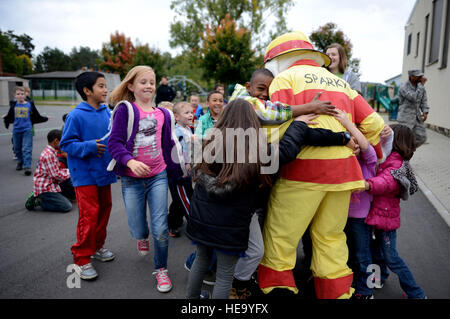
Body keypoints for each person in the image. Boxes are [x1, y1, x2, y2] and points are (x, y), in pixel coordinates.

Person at [185, 98, 357, 299]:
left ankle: (192, 301)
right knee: (224, 273)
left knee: (202, 259)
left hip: (202, 218)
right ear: (252, 121)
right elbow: (286, 150)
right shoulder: (255, 151)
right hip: (230, 223)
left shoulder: (208, 142)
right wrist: (299, 124)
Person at [257, 31, 386, 299]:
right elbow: (375, 126)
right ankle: (337, 294)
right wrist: (366, 152)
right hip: (343, 174)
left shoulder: (285, 78)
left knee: (281, 239)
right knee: (331, 238)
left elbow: (275, 129)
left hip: (301, 173)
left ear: (277, 60)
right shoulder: (342, 85)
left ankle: (278, 292)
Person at [107, 65, 187, 293]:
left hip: (158, 176)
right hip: (132, 180)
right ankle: (141, 236)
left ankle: (161, 269)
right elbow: (114, 143)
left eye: (151, 82)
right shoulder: (125, 110)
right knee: (138, 226)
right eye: (143, 82)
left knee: (160, 228)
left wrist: (178, 170)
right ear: (131, 86)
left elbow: (169, 145)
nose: (149, 86)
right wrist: (129, 161)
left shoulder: (164, 114)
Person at [60, 71, 117, 281]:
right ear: (87, 91)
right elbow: (66, 145)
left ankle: (97, 247)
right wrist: (89, 146)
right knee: (89, 215)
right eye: (101, 86)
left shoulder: (107, 113)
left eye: (105, 86)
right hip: (84, 176)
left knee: (104, 210)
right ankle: (82, 257)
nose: (105, 90)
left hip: (104, 172)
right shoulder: (76, 115)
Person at [364, 124, 426, 299]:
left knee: (392, 258)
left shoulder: (396, 163)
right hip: (377, 215)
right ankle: (378, 278)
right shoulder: (388, 157)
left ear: (396, 141)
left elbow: (386, 182)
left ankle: (417, 293)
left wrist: (367, 184)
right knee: (375, 251)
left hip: (385, 218)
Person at [333, 109, 381, 299]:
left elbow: (366, 146)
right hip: (340, 215)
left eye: (358, 138)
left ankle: (367, 290)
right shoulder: (342, 158)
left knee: (363, 256)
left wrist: (347, 122)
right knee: (348, 255)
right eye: (351, 138)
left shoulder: (368, 160)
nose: (355, 142)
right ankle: (353, 284)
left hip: (360, 218)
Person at [229, 68, 338, 125]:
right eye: (261, 88)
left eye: (269, 91)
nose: (265, 94)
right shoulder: (242, 101)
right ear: (248, 87)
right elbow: (268, 111)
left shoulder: (244, 97)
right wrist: (311, 107)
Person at [25, 129, 75, 213]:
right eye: (61, 141)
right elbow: (56, 175)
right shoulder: (49, 155)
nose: (63, 144)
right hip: (46, 187)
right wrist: (72, 172)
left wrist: (69, 171)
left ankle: (56, 196)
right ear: (56, 141)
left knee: (70, 180)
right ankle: (39, 200)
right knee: (67, 206)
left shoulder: (52, 152)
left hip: (53, 182)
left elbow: (57, 171)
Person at [3, 86, 48, 175]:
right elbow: (10, 115)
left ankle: (27, 166)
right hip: (16, 130)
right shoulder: (13, 105)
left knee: (27, 148)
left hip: (27, 129)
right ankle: (20, 161)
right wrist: (6, 118)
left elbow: (36, 115)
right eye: (18, 94)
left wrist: (45, 118)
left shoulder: (29, 104)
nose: (20, 96)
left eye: (22, 94)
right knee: (17, 148)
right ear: (15, 95)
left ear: (25, 95)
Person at [168, 101, 195, 238]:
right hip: (179, 172)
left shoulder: (188, 128)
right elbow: (177, 151)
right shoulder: (176, 131)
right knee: (185, 199)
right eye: (186, 112)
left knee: (179, 200)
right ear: (176, 117)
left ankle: (172, 223)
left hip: (188, 170)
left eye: (191, 112)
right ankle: (195, 225)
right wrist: (185, 164)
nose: (191, 115)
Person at [397, 69, 429, 147]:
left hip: (417, 118)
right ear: (412, 77)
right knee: (404, 140)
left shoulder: (420, 87)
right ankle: (402, 155)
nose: (421, 78)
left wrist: (425, 112)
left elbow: (423, 100)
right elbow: (413, 98)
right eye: (419, 76)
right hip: (405, 118)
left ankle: (408, 150)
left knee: (422, 137)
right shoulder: (403, 87)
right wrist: (421, 86)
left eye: (421, 76)